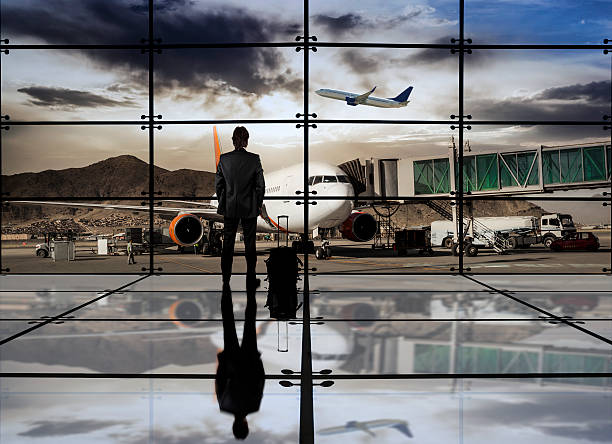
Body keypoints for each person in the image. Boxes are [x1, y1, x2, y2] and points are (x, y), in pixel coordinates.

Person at [215, 126, 265, 287]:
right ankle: (251, 276)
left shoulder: (224, 159)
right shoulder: (254, 159)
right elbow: (260, 186)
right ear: (246, 140)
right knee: (250, 244)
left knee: (228, 244)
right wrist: (256, 204)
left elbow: (219, 186)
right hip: (249, 208)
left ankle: (225, 278)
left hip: (230, 207)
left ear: (233, 140)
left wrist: (224, 201)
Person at [215, 284, 265, 440]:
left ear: (246, 425)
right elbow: (219, 380)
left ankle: (251, 291)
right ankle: (226, 287)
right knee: (228, 321)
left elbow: (260, 380)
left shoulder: (253, 407)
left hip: (249, 359)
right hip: (231, 360)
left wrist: (257, 360)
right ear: (233, 426)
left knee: (250, 320)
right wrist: (223, 360)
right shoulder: (224, 406)